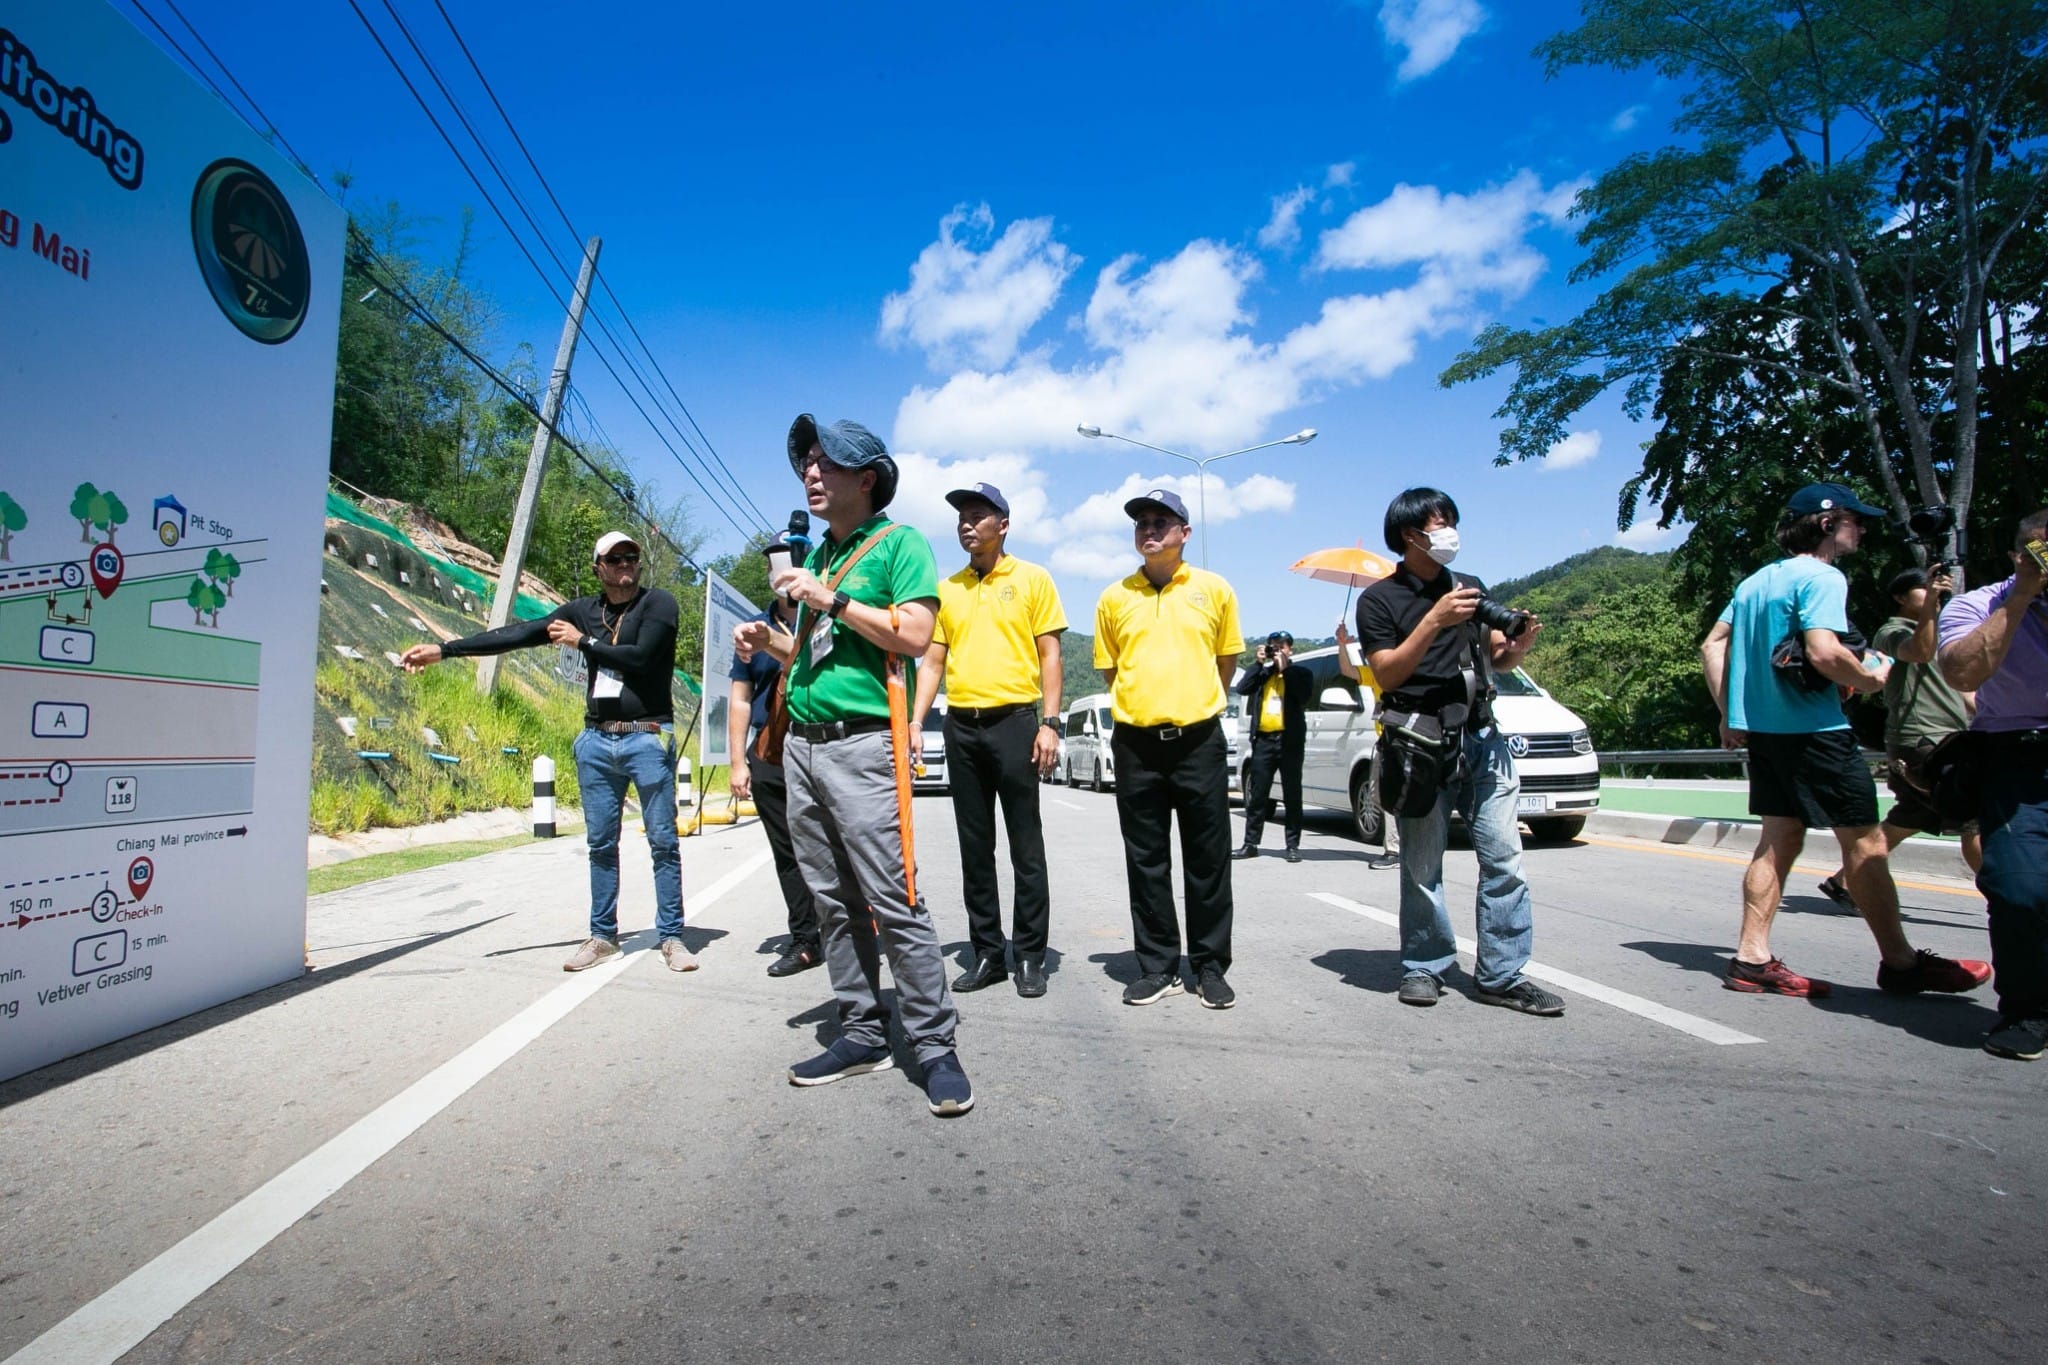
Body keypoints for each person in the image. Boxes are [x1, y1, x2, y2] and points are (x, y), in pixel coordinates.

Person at [734, 413, 972, 1116]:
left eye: (826, 462)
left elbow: (915, 635)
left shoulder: (900, 544)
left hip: (865, 745)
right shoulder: (820, 556)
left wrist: (831, 597)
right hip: (803, 746)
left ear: (866, 478)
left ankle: (934, 1045)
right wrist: (770, 642)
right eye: (806, 461)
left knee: (893, 898)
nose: (811, 472)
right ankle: (863, 1030)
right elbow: (814, 655)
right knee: (832, 901)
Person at [1700, 482, 1989, 999]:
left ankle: (1751, 959)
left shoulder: (1756, 582)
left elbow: (1712, 645)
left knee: (1778, 839)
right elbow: (1823, 652)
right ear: (1828, 523)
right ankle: (1901, 965)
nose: (1863, 530)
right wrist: (1870, 676)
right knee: (1866, 845)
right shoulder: (1823, 576)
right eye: (1857, 521)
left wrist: (1730, 713)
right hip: (1816, 733)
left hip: (1767, 735)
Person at [399, 531, 695, 974]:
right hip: (597, 740)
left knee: (663, 842)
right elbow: (520, 633)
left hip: (647, 736)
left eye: (631, 556)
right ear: (598, 567)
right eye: (615, 558)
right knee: (600, 845)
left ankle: (671, 937)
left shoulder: (658, 604)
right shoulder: (582, 612)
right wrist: (445, 650)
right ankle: (602, 936)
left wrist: (583, 643)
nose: (625, 564)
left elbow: (641, 658)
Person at [1355, 488, 1564, 1016]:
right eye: (1439, 523)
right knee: (1422, 865)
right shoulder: (1378, 600)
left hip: (1482, 736)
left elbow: (1496, 657)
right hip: (1419, 743)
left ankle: (1502, 975)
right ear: (1410, 535)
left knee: (1505, 860)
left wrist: (1516, 649)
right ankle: (1424, 966)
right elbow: (1386, 674)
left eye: (1452, 521)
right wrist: (1434, 619)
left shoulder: (1468, 586)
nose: (1450, 532)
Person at [911, 482, 1067, 999]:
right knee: (975, 848)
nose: (966, 524)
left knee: (1026, 845)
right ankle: (987, 953)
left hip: (1016, 724)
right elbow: (932, 662)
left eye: (978, 515)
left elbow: (1050, 653)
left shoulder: (1033, 579)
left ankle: (1030, 955)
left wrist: (1050, 723)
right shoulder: (947, 588)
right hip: (962, 727)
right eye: (961, 516)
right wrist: (916, 722)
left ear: (1003, 524)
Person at [1093, 488, 1243, 1009]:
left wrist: (1193, 703)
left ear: (1185, 532)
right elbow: (1112, 670)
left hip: (1199, 741)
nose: (1150, 529)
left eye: (1161, 521)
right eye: (1142, 523)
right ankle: (1157, 965)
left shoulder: (1214, 590)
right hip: (1136, 745)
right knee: (1146, 859)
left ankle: (1209, 966)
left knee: (1208, 859)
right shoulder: (1114, 598)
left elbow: (1226, 663)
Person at [1936, 508, 2048, 1060]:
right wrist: (2023, 594)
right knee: (2019, 888)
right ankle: (2028, 1010)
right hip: (2017, 756)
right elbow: (1961, 672)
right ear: (2018, 556)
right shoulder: (1979, 604)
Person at [1817, 566, 1981, 906]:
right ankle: (2012, 900)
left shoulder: (1940, 634)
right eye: (1924, 588)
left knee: (1912, 816)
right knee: (1975, 821)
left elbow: (1961, 688)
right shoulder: (1892, 632)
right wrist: (1933, 604)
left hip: (1949, 737)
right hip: (1923, 738)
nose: (1934, 593)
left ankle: (1843, 881)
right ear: (1901, 597)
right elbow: (1919, 651)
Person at [728, 568, 822, 978]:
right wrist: (738, 763)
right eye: (773, 564)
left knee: (837, 846)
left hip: (822, 747)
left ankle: (853, 928)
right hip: (770, 751)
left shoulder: (825, 616)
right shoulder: (753, 628)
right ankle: (805, 940)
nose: (781, 572)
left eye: (790, 562)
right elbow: (740, 698)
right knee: (787, 853)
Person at [1233, 631, 1310, 863]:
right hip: (1264, 741)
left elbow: (1303, 696)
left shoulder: (1301, 673)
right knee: (1257, 795)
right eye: (1273, 647)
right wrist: (1258, 663)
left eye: (1281, 647)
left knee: (1292, 794)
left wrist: (1285, 669)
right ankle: (1251, 844)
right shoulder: (1263, 674)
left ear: (1290, 650)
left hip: (1289, 742)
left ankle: (1292, 845)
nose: (1277, 650)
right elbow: (1242, 688)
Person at [1336, 617, 1400, 871]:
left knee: (1393, 793)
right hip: (1384, 740)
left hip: (1403, 738)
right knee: (1377, 793)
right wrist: (1342, 644)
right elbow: (1348, 671)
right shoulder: (1375, 672)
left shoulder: (1406, 667)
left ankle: (1394, 850)